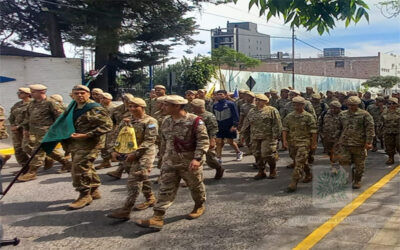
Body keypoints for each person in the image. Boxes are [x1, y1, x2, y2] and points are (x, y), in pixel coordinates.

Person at [135, 95, 209, 230]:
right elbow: (164, 141)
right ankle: (157, 217)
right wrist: (161, 158)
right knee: (165, 188)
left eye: (166, 105)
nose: (162, 107)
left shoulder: (195, 121)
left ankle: (199, 205)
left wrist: (197, 159)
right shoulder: (166, 121)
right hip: (169, 162)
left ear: (177, 106)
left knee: (195, 186)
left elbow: (203, 141)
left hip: (189, 162)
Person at [107, 97, 158, 220]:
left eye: (136, 106)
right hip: (127, 154)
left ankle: (126, 209)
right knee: (141, 177)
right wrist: (113, 150)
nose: (132, 109)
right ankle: (150, 198)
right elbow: (117, 136)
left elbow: (150, 140)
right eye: (130, 106)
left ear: (143, 107)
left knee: (134, 180)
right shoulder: (126, 121)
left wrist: (136, 153)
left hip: (144, 154)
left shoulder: (150, 121)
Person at [64, 85, 113, 209]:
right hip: (75, 143)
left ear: (88, 94)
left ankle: (84, 194)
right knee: (87, 166)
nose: (80, 95)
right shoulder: (72, 107)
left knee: (78, 167)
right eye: (76, 93)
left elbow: (107, 126)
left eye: (82, 93)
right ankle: (94, 189)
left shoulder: (95, 108)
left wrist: (87, 135)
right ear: (72, 95)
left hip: (90, 143)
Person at [18, 84, 71, 182]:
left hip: (47, 132)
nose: (31, 94)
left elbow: (60, 117)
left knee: (37, 151)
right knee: (48, 150)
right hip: (34, 131)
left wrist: (56, 131)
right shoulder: (32, 103)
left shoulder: (50, 102)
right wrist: (26, 129)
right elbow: (28, 117)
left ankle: (32, 172)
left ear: (42, 92)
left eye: (33, 92)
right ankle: (67, 163)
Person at [337, 96, 374, 189]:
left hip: (359, 144)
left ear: (358, 104)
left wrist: (369, 142)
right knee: (343, 161)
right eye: (349, 105)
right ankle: (349, 176)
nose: (351, 107)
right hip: (345, 143)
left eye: (353, 105)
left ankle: (357, 180)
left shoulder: (365, 114)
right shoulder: (342, 114)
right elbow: (338, 128)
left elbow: (370, 129)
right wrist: (336, 141)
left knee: (359, 164)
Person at [242, 94, 282, 179]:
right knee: (257, 154)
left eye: (259, 100)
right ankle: (261, 171)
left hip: (268, 137)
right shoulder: (252, 111)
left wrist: (276, 136)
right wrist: (243, 133)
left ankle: (272, 169)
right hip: (255, 136)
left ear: (265, 101)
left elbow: (277, 124)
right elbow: (247, 123)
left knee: (267, 154)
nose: (257, 102)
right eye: (256, 100)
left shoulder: (272, 110)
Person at [282, 96, 317, 192]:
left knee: (298, 163)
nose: (296, 106)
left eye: (298, 104)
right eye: (294, 104)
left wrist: (313, 144)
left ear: (303, 105)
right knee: (299, 161)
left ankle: (294, 182)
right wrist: (284, 141)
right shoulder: (289, 116)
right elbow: (285, 129)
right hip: (292, 143)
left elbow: (313, 131)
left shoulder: (308, 117)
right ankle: (308, 174)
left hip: (304, 143)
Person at [191, 99, 224, 179]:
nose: (192, 108)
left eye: (193, 106)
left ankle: (219, 168)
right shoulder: (192, 115)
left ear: (199, 107)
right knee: (195, 158)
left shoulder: (209, 116)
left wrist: (212, 140)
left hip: (207, 140)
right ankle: (196, 177)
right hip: (195, 140)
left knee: (210, 159)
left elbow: (213, 129)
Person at [212, 90, 242, 163]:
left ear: (225, 95)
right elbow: (213, 116)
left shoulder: (231, 104)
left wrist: (234, 125)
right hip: (219, 126)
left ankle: (238, 152)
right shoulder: (215, 105)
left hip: (229, 126)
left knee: (230, 142)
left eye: (221, 94)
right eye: (217, 94)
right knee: (219, 142)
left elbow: (236, 115)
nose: (218, 96)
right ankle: (219, 158)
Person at [9, 88, 31, 167]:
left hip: (27, 129)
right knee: (18, 149)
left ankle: (46, 159)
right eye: (18, 92)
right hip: (16, 130)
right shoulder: (17, 104)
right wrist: (12, 125)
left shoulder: (32, 104)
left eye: (21, 93)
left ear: (28, 94)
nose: (18, 94)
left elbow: (31, 118)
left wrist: (19, 126)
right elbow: (11, 117)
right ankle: (25, 167)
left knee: (29, 148)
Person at [319, 101, 342, 174]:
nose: (333, 110)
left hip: (338, 137)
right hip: (327, 137)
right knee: (329, 152)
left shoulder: (343, 115)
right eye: (332, 108)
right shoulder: (324, 114)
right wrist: (320, 134)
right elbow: (319, 124)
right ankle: (333, 163)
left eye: (335, 108)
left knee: (336, 152)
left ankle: (335, 167)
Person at [96, 92, 116, 169]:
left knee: (110, 145)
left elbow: (117, 120)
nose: (101, 100)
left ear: (109, 99)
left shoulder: (113, 108)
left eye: (104, 98)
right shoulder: (98, 107)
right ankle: (106, 161)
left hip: (111, 129)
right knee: (102, 146)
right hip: (101, 129)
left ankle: (116, 158)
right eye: (101, 98)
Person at [381, 97, 400, 165]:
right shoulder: (385, 111)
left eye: (393, 103)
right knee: (389, 146)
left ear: (397, 104)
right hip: (388, 132)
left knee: (399, 145)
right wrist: (379, 131)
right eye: (390, 103)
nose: (391, 105)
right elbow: (381, 121)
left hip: (398, 132)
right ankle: (391, 158)